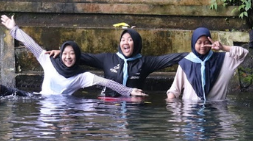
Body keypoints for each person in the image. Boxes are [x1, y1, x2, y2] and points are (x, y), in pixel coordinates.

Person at [0, 15, 147, 98]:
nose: (68, 57)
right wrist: (14, 28)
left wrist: (130, 91)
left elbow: (107, 83)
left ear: (77, 57)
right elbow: (31, 44)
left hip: (58, 108)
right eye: (65, 54)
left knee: (18, 96)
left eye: (72, 54)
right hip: (44, 100)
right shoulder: (48, 60)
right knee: (18, 94)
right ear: (61, 54)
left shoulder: (82, 76)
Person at [49, 28, 187, 96]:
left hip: (133, 106)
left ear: (137, 43)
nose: (125, 42)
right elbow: (82, 56)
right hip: (108, 104)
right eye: (123, 39)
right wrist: (62, 53)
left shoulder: (144, 62)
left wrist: (197, 54)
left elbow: (171, 59)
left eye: (130, 39)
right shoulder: (108, 59)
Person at [166, 27, 249, 103]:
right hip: (191, 113)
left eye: (206, 43)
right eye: (199, 43)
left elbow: (243, 53)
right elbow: (174, 90)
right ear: (193, 43)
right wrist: (171, 105)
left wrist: (223, 47)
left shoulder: (222, 59)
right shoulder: (186, 63)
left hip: (217, 111)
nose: (203, 46)